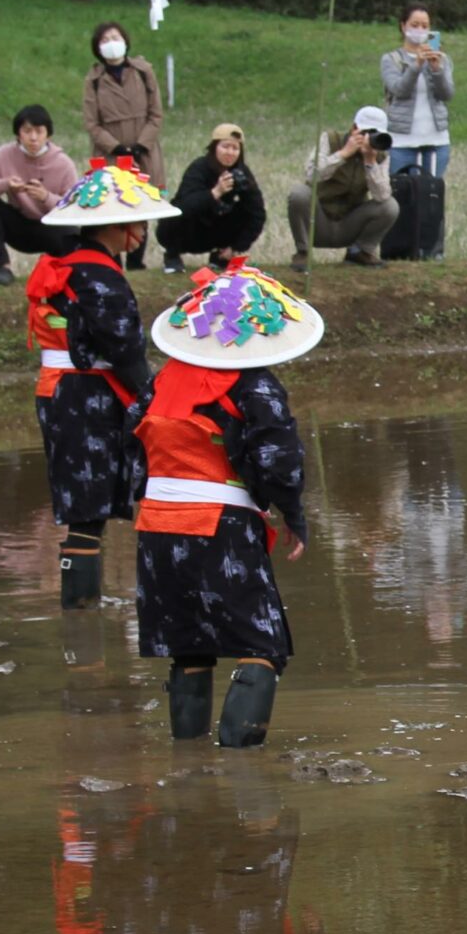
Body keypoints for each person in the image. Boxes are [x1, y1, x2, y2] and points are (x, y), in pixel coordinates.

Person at [136, 260, 318, 747]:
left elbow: (133, 445)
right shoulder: (254, 386)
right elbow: (279, 461)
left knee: (189, 646)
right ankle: (241, 772)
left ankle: (188, 766)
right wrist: (293, 513)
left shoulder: (160, 382)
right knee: (262, 644)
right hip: (219, 526)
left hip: (155, 528)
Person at [28, 159, 178, 606]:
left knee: (86, 508)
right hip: (84, 396)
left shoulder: (75, 265)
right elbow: (123, 349)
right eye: (139, 223)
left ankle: (83, 623)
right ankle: (81, 614)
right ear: (117, 227)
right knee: (88, 509)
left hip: (64, 392)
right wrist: (155, 399)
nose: (143, 231)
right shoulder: (98, 276)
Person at [82, 21, 164, 266]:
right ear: (97, 47)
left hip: (144, 150)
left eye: (115, 38)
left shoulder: (143, 71)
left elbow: (156, 114)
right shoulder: (94, 80)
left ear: (125, 41)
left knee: (142, 203)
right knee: (112, 205)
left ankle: (137, 262)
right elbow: (91, 123)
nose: (111, 44)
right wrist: (116, 148)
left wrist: (140, 145)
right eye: (105, 40)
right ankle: (113, 260)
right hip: (110, 153)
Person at [0, 105, 80, 285]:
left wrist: (46, 197)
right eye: (27, 131)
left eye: (39, 131)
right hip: (18, 225)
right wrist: (5, 184)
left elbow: (74, 207)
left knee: (73, 233)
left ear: (48, 135)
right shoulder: (5, 154)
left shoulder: (63, 163)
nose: (33, 138)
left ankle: (60, 269)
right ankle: (3, 268)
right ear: (18, 134)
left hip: (51, 228)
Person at [289, 105, 401, 266]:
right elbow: (311, 174)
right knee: (299, 193)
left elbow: (382, 196)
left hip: (350, 223)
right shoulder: (330, 139)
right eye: (367, 132)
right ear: (354, 128)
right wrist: (342, 154)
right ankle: (303, 252)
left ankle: (360, 252)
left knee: (390, 206)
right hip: (318, 220)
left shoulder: (380, 155)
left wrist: (370, 163)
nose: (371, 138)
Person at [159, 123, 268, 272]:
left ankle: (221, 257)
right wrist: (215, 192)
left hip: (216, 231)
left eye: (235, 148)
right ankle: (172, 255)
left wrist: (237, 247)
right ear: (214, 147)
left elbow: (257, 213)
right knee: (176, 211)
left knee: (244, 211)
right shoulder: (199, 167)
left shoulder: (242, 172)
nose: (230, 152)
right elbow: (185, 206)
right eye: (225, 146)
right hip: (189, 232)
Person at [382, 2, 454, 184]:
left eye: (425, 26)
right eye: (415, 25)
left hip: (436, 141)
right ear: (403, 26)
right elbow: (399, 90)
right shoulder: (391, 59)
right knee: (401, 194)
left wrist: (436, 69)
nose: (420, 30)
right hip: (401, 141)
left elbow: (447, 94)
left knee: (431, 194)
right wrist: (417, 65)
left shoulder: (442, 59)